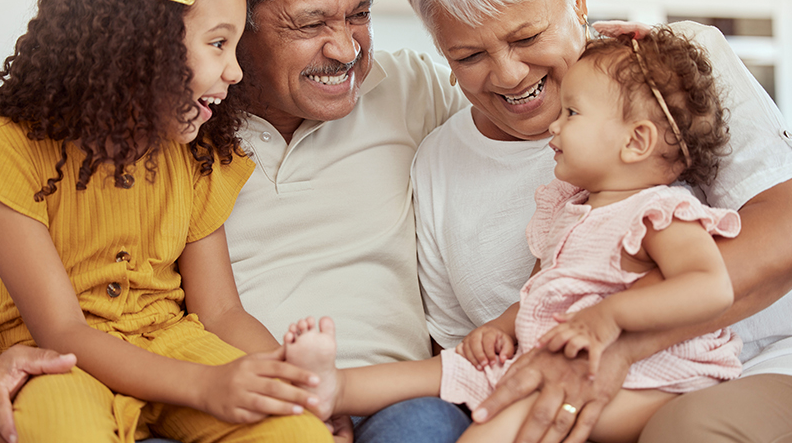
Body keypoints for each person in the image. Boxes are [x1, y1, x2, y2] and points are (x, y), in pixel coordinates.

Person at [0, 0, 469, 443]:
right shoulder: (167, 132)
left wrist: (304, 390)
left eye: (359, 14)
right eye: (309, 24)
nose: (345, 49)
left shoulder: (417, 88)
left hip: (347, 387)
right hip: (147, 375)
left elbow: (547, 111)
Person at [396, 0, 792, 442]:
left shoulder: (671, 74)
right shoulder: (437, 165)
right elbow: (465, 352)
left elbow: (786, 229)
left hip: (742, 370)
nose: (509, 74)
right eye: (469, 55)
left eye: (528, 35)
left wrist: (617, 342)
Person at [0, 0, 331, 443]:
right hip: (62, 362)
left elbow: (220, 312)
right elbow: (61, 330)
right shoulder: (3, 148)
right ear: (140, 44)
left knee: (298, 433)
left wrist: (288, 384)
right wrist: (205, 385)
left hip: (174, 343)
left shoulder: (198, 154)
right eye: (218, 44)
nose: (235, 72)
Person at [280, 28, 745, 443]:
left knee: (504, 419)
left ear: (636, 141)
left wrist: (610, 317)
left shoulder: (660, 211)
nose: (555, 124)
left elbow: (711, 287)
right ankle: (334, 388)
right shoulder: (570, 207)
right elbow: (543, 291)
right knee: (450, 368)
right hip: (553, 356)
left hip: (654, 380)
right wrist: (498, 328)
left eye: (573, 112)